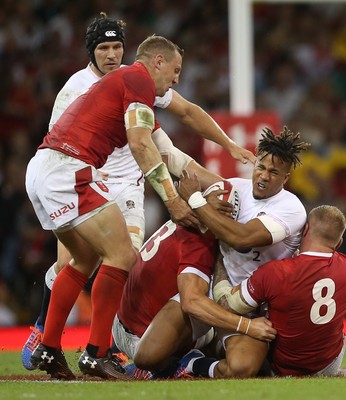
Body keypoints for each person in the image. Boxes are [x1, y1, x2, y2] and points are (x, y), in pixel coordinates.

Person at [22, 13, 254, 374]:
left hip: (44, 169)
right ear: (157, 62)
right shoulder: (135, 81)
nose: (177, 79)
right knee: (122, 257)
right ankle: (96, 352)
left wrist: (227, 146)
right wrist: (173, 200)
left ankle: (49, 347)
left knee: (83, 262)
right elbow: (142, 142)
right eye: (175, 71)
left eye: (118, 47)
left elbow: (180, 123)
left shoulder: (126, 81)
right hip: (74, 172)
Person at [176, 126, 310, 378]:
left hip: (253, 307)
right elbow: (184, 168)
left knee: (241, 369)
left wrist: (196, 201)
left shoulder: (291, 208)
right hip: (215, 293)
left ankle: (193, 362)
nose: (263, 176)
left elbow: (240, 238)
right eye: (260, 167)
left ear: (286, 178)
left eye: (274, 172)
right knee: (149, 354)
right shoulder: (233, 187)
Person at [111, 182, 277, 380]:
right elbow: (192, 302)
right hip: (141, 341)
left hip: (124, 323)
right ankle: (189, 362)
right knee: (207, 299)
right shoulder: (200, 240)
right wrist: (247, 326)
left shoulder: (187, 215)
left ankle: (205, 350)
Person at [190, 205, 346, 378]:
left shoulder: (277, 272)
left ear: (305, 229)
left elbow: (228, 303)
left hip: (283, 368)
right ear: (339, 243)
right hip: (329, 365)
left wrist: (221, 260)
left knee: (256, 317)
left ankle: (203, 357)